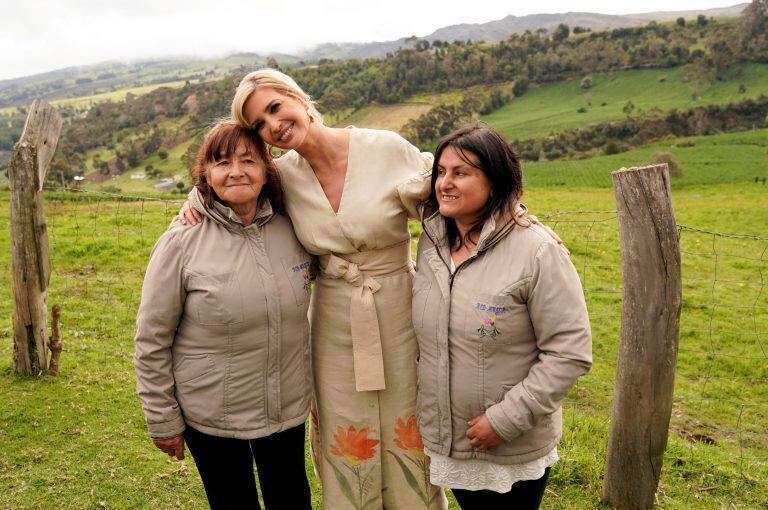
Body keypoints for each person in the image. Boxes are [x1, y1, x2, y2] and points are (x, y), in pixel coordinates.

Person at [180, 69, 448, 509]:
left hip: (400, 307)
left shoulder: (385, 148)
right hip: (333, 317)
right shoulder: (283, 176)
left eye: (273, 108)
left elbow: (455, 191)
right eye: (260, 125)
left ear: (297, 97)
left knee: (408, 421)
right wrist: (192, 203)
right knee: (347, 427)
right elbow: (231, 185)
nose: (274, 126)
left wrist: (516, 218)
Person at [411, 125, 592, 509]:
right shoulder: (433, 241)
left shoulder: (537, 251)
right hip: (451, 437)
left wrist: (505, 420)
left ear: (495, 182)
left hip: (508, 444)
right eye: (440, 172)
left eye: (461, 172)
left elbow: (569, 351)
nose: (445, 183)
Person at [134, 120, 313, 510]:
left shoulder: (293, 227)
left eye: (248, 160)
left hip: (286, 408)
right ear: (206, 175)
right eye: (221, 162)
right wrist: (162, 418)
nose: (236, 171)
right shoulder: (181, 242)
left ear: (268, 171)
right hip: (213, 414)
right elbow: (152, 339)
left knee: (293, 500)